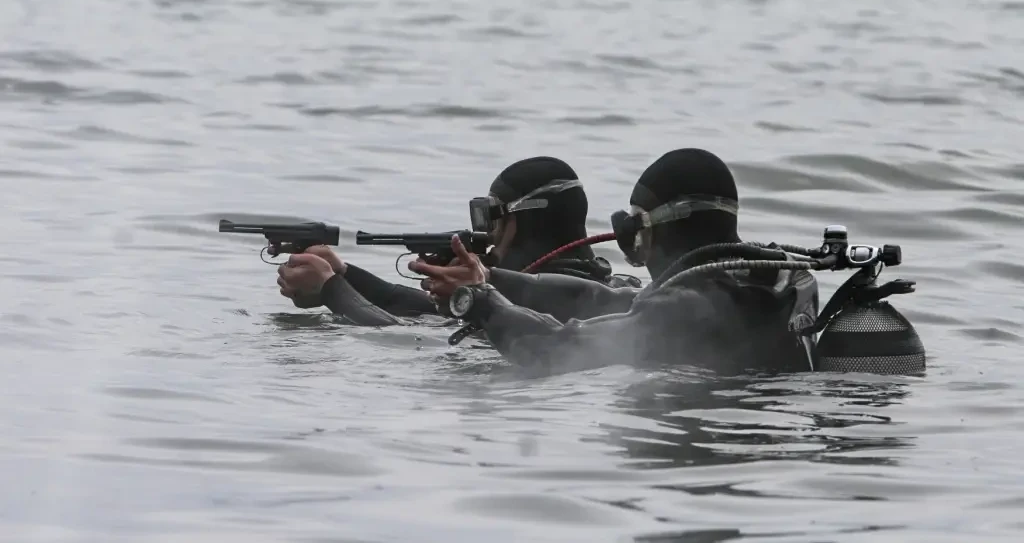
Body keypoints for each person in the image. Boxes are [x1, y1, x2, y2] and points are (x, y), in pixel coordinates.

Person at [412, 148, 820, 375]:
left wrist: (478, 301)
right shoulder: (772, 278)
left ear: (655, 230)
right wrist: (489, 277)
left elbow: (552, 350)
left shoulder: (686, 307)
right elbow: (600, 300)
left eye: (636, 230)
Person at [275, 156, 640, 326]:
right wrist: (343, 274)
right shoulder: (605, 290)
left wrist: (332, 292)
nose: (486, 234)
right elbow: (421, 309)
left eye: (491, 218)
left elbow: (403, 337)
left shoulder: (546, 307)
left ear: (520, 223)